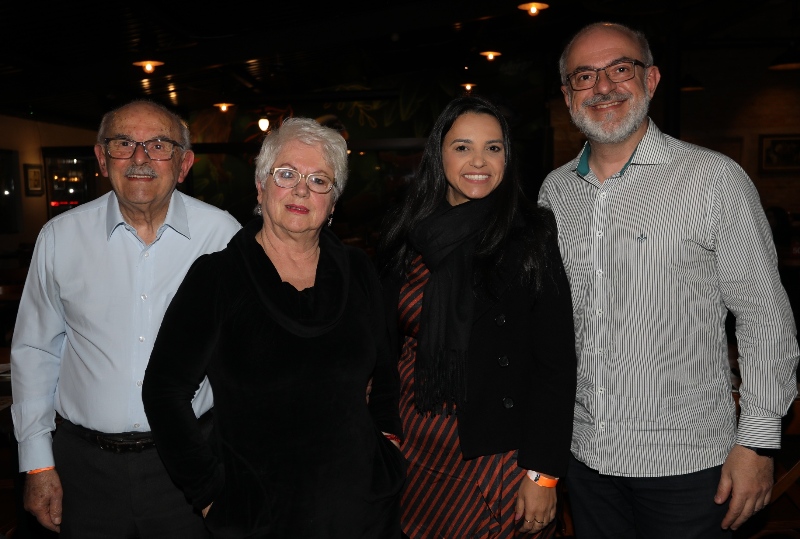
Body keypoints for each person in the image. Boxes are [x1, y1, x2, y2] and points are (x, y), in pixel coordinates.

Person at [538, 22, 800, 539]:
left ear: (651, 79)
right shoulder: (555, 191)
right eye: (584, 76)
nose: (603, 86)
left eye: (620, 68)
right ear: (568, 94)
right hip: (586, 459)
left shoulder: (713, 179)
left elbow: (764, 317)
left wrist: (758, 442)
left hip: (691, 464)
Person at [141, 117, 405, 538]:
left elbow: (388, 373)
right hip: (259, 517)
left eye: (319, 180)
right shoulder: (217, 277)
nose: (302, 189)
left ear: (333, 203)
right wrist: (209, 494)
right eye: (287, 174)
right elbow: (163, 391)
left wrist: (388, 449)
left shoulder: (358, 270)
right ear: (261, 188)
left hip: (364, 511)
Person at [10, 99, 242, 537]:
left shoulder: (223, 236)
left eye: (159, 144)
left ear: (184, 162)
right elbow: (35, 350)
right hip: (85, 470)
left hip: (192, 464)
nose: (139, 158)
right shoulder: (60, 237)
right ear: (101, 158)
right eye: (123, 143)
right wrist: (37, 462)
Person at [378, 95, 577, 538]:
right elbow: (384, 349)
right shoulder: (406, 232)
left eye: (493, 147)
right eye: (463, 146)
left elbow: (556, 365)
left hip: (496, 454)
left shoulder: (532, 234)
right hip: (415, 447)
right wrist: (384, 433)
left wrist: (542, 474)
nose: (479, 161)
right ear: (439, 154)